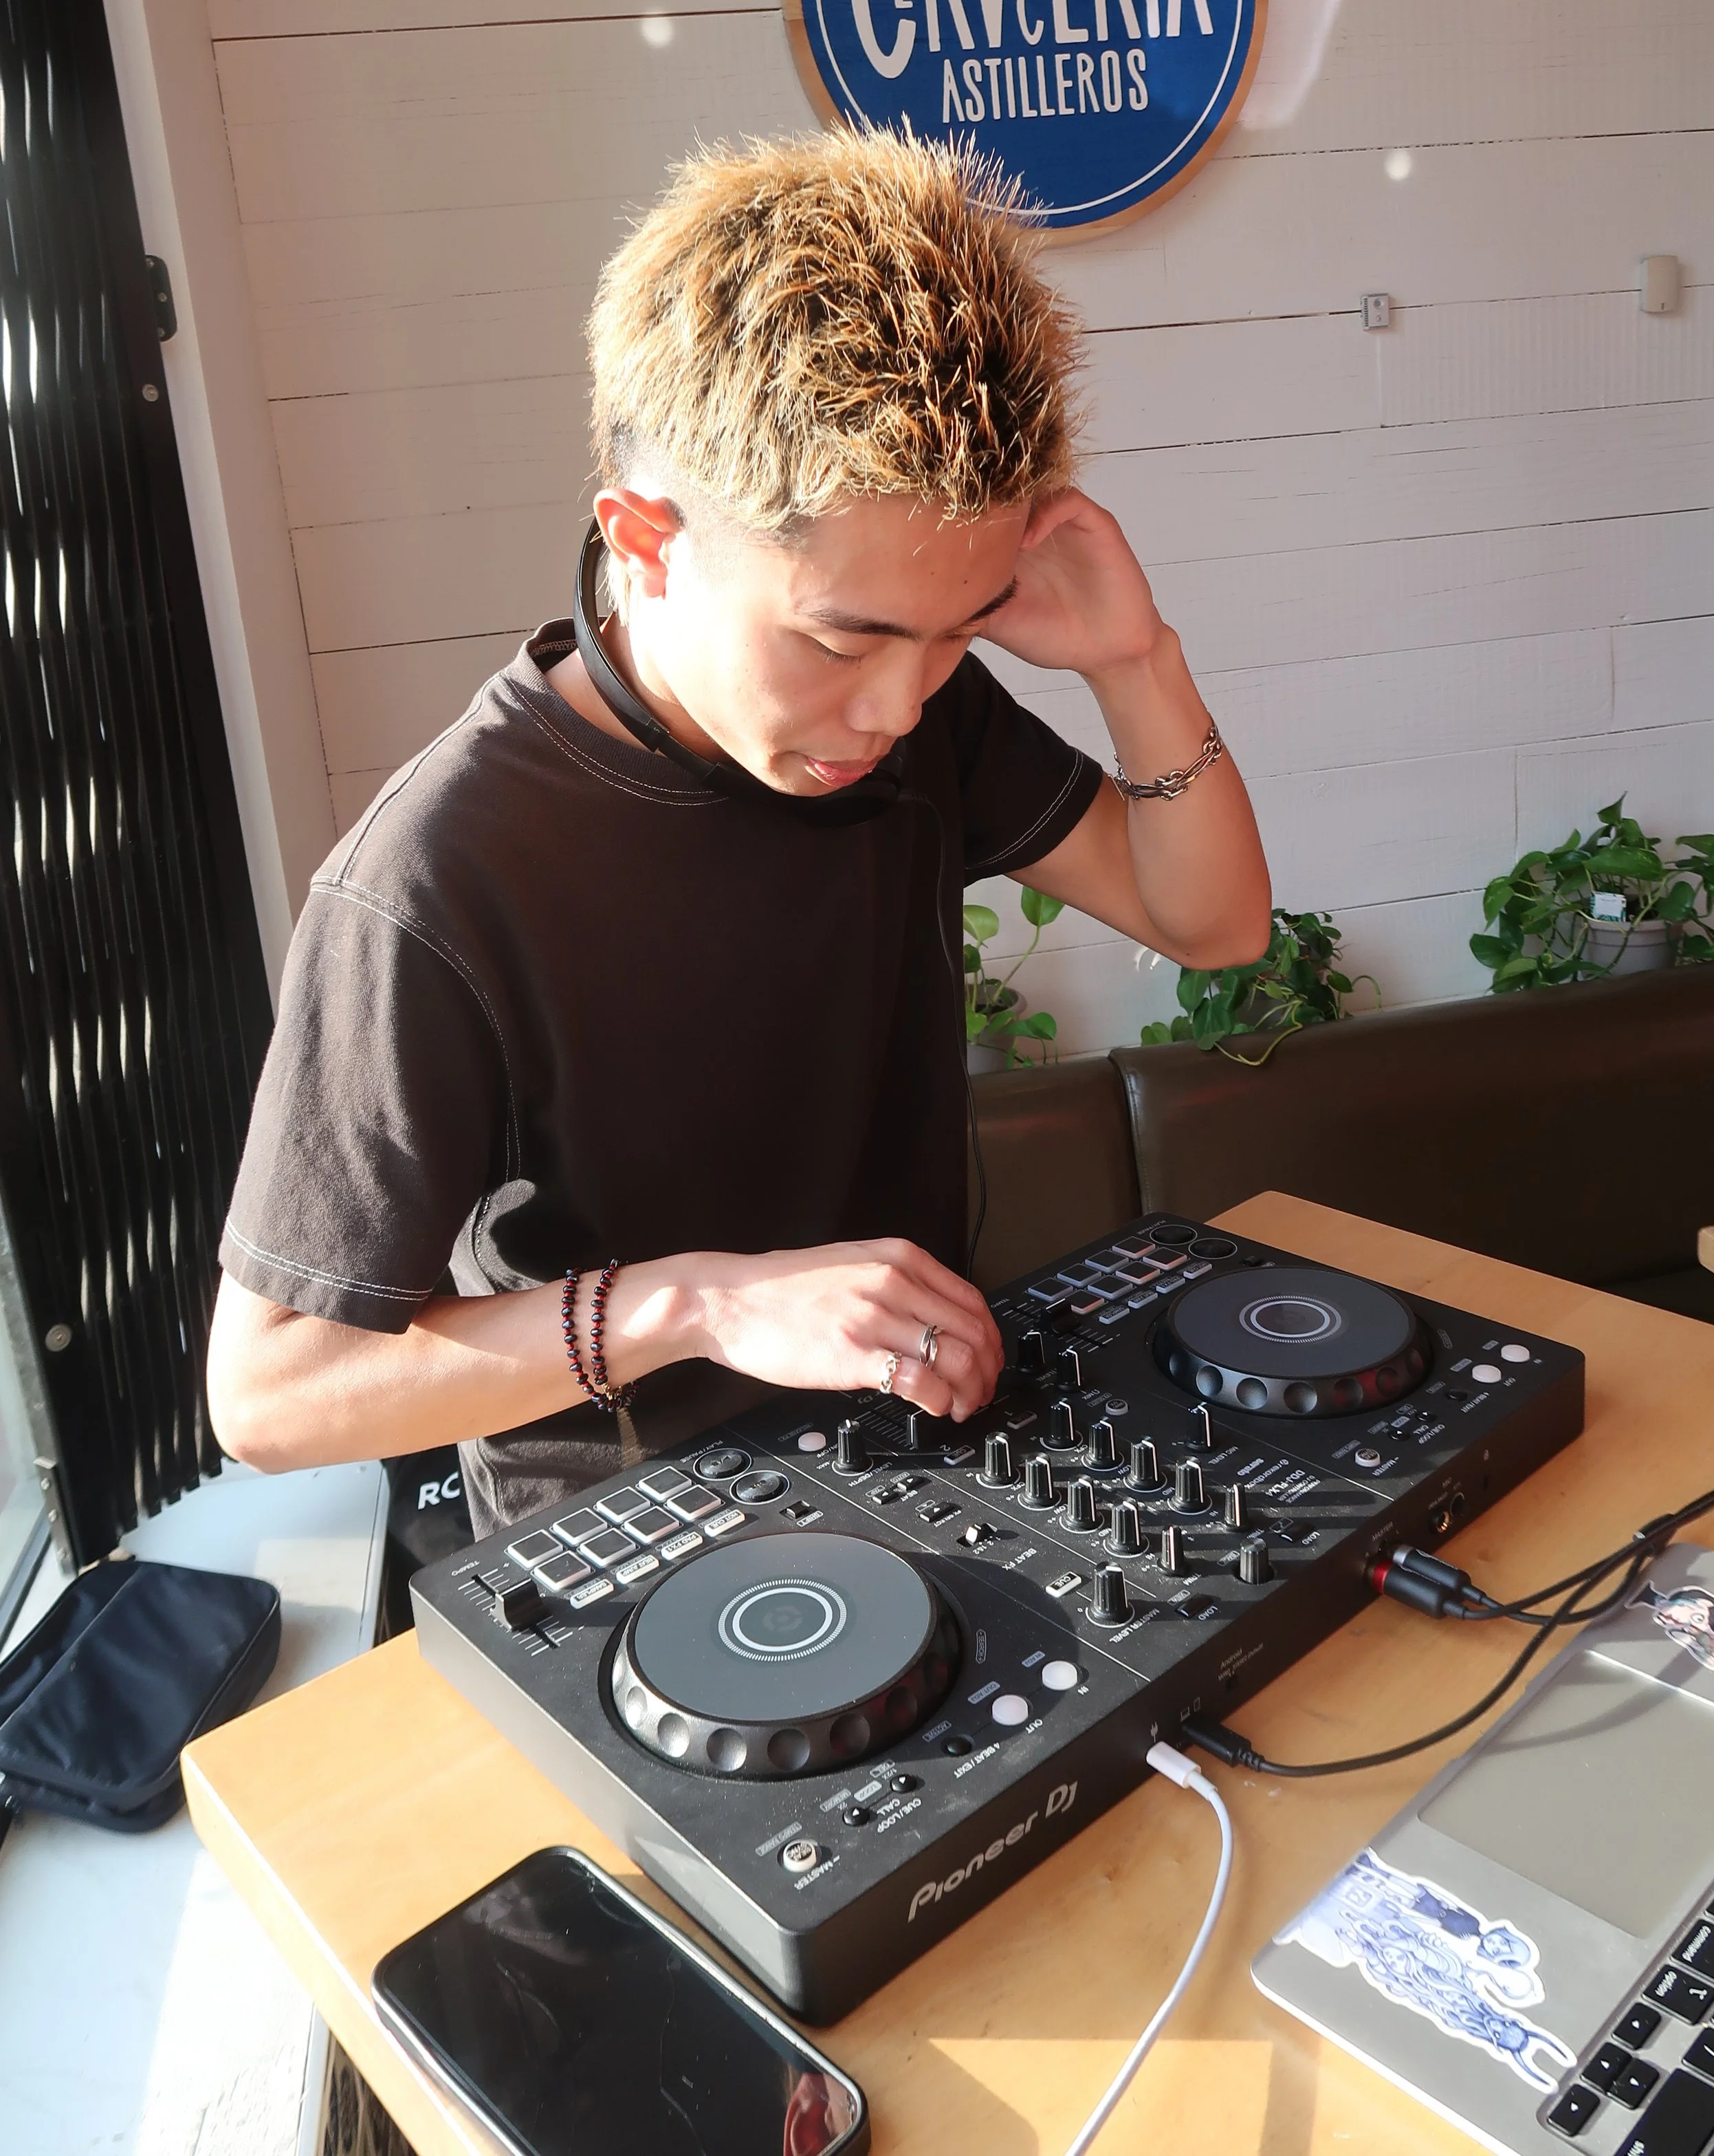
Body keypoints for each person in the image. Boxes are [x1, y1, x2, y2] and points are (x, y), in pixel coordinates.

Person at [206, 132, 1269, 1535]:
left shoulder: (910, 716)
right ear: (641, 543)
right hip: (635, 1546)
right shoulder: (434, 883)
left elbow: (1212, 923)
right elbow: (271, 1397)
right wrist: (693, 1304)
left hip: (930, 1460)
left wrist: (1132, 663)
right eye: (841, 639)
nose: (894, 708)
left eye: (953, 638)